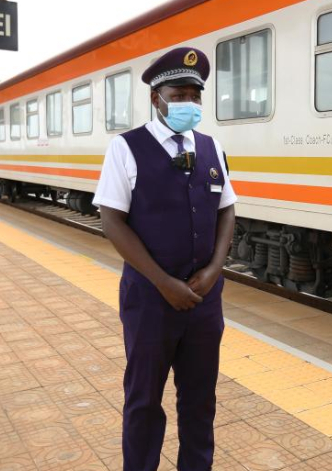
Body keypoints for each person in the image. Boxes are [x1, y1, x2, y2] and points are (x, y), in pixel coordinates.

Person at [92, 47, 237, 471]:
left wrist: (214, 270)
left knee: (200, 399)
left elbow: (227, 208)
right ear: (156, 97)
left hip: (204, 301)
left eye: (196, 95)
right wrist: (161, 282)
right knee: (143, 400)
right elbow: (112, 221)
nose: (189, 103)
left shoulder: (211, 147)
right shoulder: (126, 148)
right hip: (151, 300)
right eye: (179, 94)